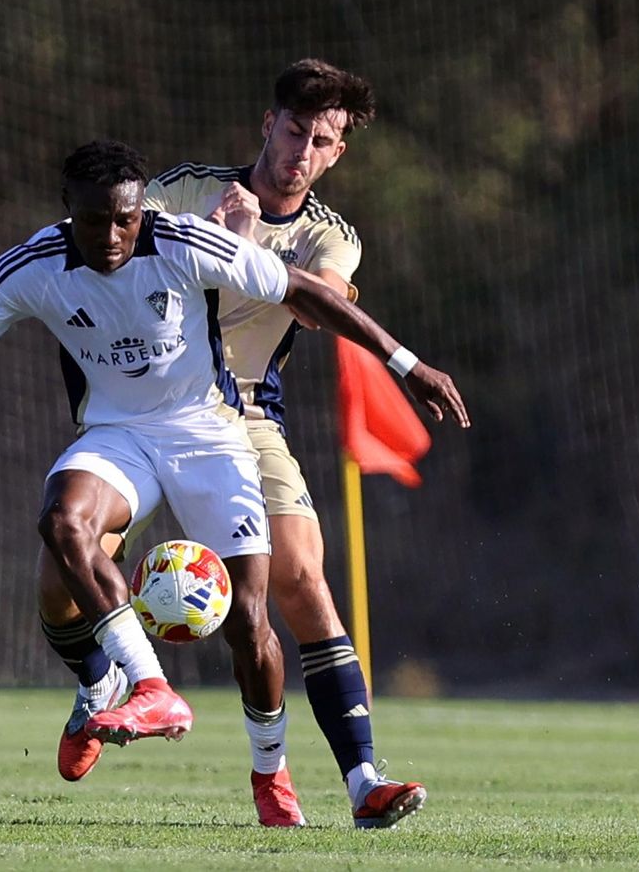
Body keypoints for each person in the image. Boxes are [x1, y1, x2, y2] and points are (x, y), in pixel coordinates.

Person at [0, 139, 468, 824]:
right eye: (94, 220)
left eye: (126, 219)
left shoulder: (184, 241)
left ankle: (271, 776)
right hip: (118, 435)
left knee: (249, 619)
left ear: (143, 210)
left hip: (209, 434)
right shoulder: (32, 266)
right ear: (67, 209)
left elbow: (307, 292)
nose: (112, 236)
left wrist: (408, 366)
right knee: (61, 522)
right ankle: (147, 684)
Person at [40, 59, 449, 829]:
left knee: (301, 580)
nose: (301, 151)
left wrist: (233, 246)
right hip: (139, 412)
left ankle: (361, 781)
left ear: (337, 154)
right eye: (294, 130)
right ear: (268, 124)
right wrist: (207, 236)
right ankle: (100, 679)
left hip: (244, 415)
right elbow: (112, 260)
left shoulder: (330, 236)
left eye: (321, 141)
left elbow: (319, 305)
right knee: (59, 584)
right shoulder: (187, 189)